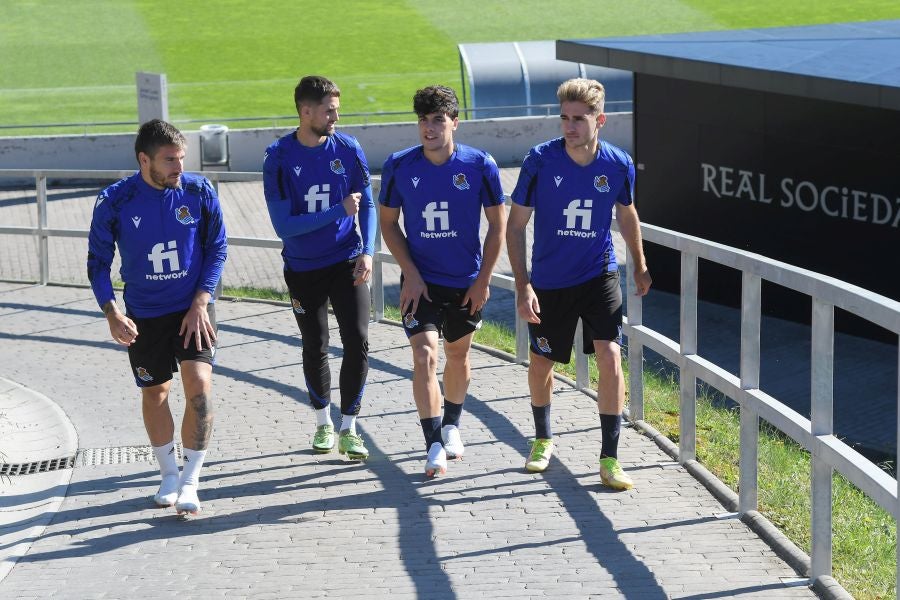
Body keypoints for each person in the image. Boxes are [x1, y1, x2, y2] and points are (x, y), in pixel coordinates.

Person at [507, 78, 652, 490]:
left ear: (599, 120)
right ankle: (542, 439)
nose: (569, 127)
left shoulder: (618, 163)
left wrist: (639, 264)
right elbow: (515, 227)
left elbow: (627, 213)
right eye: (564, 118)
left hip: (599, 274)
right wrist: (523, 285)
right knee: (542, 362)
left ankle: (610, 457)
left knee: (610, 355)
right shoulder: (540, 160)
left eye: (579, 119)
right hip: (550, 280)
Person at [87, 119, 227, 515]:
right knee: (156, 392)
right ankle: (168, 474)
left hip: (193, 309)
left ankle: (191, 482)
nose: (179, 168)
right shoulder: (115, 201)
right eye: (169, 160)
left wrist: (201, 302)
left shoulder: (199, 191)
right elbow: (97, 262)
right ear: (144, 160)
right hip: (145, 315)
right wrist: (112, 312)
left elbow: (217, 248)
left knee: (199, 387)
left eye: (181, 158)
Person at [379, 85, 507, 477]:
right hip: (421, 283)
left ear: (454, 122)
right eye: (423, 120)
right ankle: (433, 443)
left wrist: (483, 280)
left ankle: (451, 425)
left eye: (437, 120)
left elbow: (498, 225)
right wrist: (411, 275)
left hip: (466, 282)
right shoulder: (399, 166)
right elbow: (388, 223)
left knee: (457, 354)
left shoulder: (480, 165)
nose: (429, 128)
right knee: (424, 355)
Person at [263, 75, 375, 460]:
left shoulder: (348, 148)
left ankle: (350, 428)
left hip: (347, 260)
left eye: (337, 110)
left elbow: (367, 203)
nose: (336, 118)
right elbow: (284, 226)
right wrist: (337, 211)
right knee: (315, 344)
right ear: (306, 111)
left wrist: (368, 252)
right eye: (329, 111)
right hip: (303, 268)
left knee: (358, 340)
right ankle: (323, 422)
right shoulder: (278, 158)